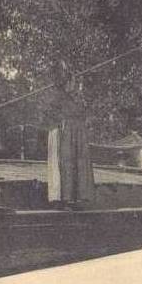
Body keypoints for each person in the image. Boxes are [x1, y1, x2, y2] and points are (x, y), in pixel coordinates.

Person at [45, 65, 95, 209]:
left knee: (72, 164)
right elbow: (58, 113)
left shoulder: (69, 98)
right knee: (64, 165)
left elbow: (79, 112)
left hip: (69, 134)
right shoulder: (59, 97)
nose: (74, 85)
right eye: (72, 82)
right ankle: (62, 199)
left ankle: (71, 198)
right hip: (62, 135)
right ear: (67, 83)